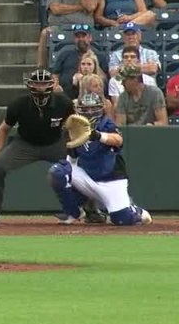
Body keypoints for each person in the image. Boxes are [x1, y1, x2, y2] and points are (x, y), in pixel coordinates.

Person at [0, 69, 74, 225]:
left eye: (44, 83)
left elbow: (74, 124)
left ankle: (90, 209)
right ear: (30, 85)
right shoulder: (19, 104)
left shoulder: (63, 102)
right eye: (37, 83)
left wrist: (73, 147)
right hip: (25, 144)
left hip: (55, 143)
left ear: (51, 85)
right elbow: (3, 129)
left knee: (80, 167)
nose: (40, 87)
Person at [49, 94, 153, 226]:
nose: (90, 113)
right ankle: (74, 212)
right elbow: (72, 160)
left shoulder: (106, 124)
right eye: (86, 109)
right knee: (58, 171)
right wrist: (72, 185)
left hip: (111, 180)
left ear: (101, 109)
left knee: (122, 220)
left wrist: (97, 135)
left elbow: (118, 140)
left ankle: (134, 210)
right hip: (88, 176)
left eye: (93, 109)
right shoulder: (74, 128)